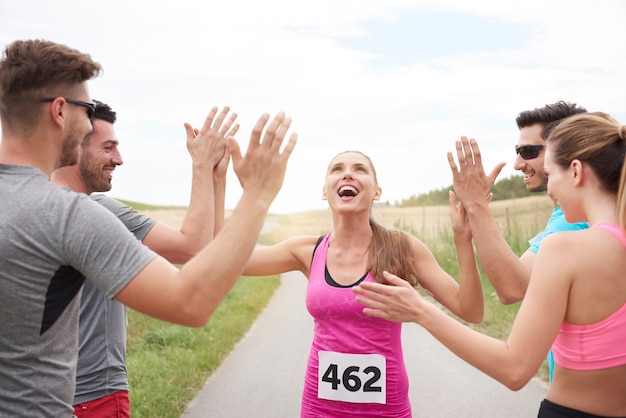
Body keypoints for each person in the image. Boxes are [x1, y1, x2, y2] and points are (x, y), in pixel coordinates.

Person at [0, 39, 296, 417]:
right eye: (87, 109)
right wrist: (257, 194)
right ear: (60, 110)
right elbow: (190, 303)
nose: (88, 120)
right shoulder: (67, 215)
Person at [354, 112, 626, 417]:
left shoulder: (563, 249)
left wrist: (421, 311)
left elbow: (514, 368)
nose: (550, 191)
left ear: (575, 171)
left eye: (551, 174)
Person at [242, 150, 484, 417]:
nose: (347, 173)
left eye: (359, 169)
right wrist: (214, 179)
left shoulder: (402, 247)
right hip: (318, 408)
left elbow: (469, 310)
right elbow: (229, 261)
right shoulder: (306, 250)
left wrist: (463, 241)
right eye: (337, 169)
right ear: (324, 192)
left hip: (386, 410)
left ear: (376, 192)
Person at [50, 101, 237, 417]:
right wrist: (202, 166)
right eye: (108, 148)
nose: (118, 159)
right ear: (75, 149)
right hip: (93, 397)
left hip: (41, 397)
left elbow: (206, 251)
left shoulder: (34, 205)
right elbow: (194, 249)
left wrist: (217, 179)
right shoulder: (97, 211)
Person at [448, 101, 589, 383]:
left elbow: (513, 287)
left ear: (567, 151)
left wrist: (476, 205)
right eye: (517, 152)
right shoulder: (568, 214)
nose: (517, 164)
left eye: (528, 151)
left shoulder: (578, 218)